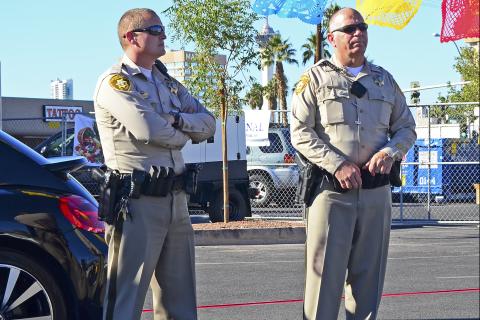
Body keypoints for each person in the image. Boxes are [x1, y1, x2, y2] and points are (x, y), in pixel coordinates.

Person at [291, 7, 416, 320]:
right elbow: (299, 132)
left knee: (368, 280)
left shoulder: (384, 81)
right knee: (323, 282)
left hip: (375, 194)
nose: (358, 33)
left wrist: (390, 152)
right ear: (332, 38)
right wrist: (337, 164)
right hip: (332, 195)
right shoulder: (315, 78)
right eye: (349, 29)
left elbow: (406, 127)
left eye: (362, 27)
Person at [93, 8, 216, 320]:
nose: (164, 36)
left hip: (176, 201)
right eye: (156, 29)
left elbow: (209, 123)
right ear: (131, 37)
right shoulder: (115, 83)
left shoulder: (168, 82)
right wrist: (183, 133)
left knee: (181, 304)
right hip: (137, 203)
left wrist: (174, 119)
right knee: (125, 301)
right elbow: (148, 130)